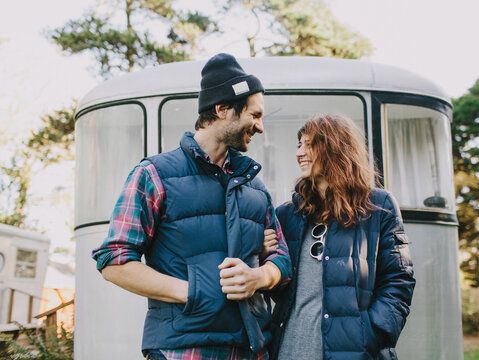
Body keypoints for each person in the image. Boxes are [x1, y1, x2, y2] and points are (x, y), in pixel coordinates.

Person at [92, 53, 292, 360]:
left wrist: (260, 277)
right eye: (255, 115)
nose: (260, 127)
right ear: (223, 108)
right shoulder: (153, 175)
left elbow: (283, 261)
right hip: (182, 352)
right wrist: (194, 292)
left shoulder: (256, 186)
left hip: (251, 349)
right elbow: (114, 262)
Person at [265, 114, 415, 360]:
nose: (300, 153)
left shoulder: (379, 206)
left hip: (354, 352)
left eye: (309, 144)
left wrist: (370, 335)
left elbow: (399, 281)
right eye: (298, 145)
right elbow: (281, 290)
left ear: (335, 146)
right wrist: (265, 258)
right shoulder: (287, 214)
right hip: (288, 350)